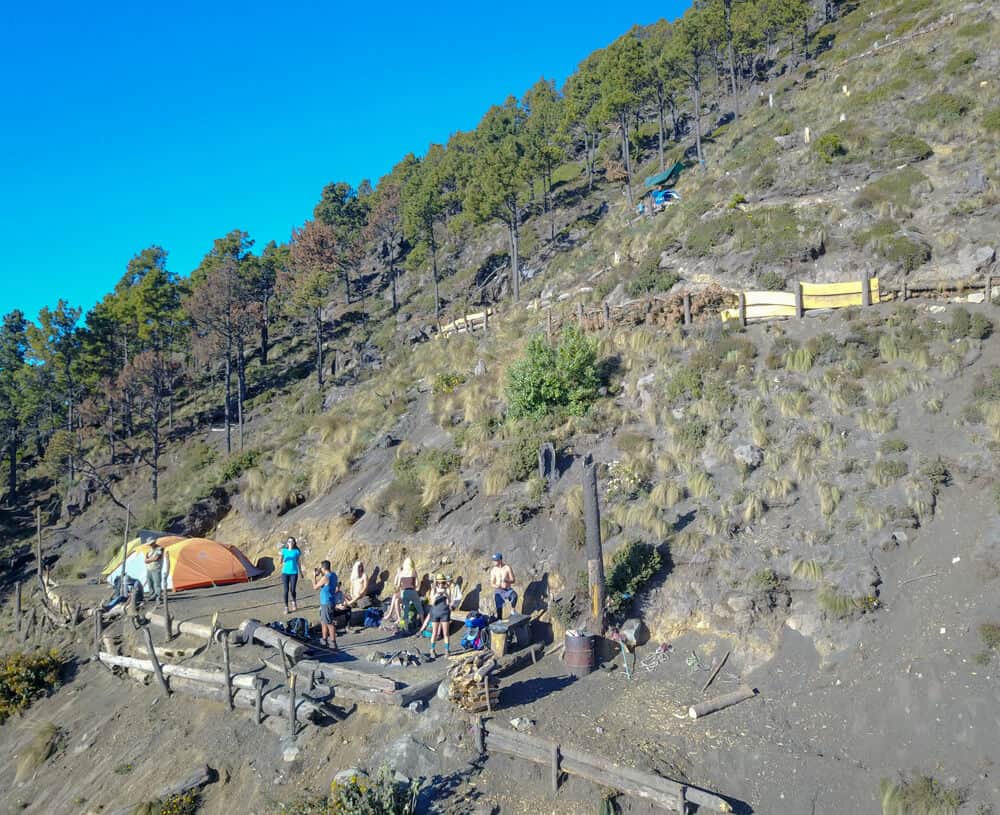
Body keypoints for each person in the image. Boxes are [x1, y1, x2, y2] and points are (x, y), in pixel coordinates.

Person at [419, 574, 452, 660]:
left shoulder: (447, 589)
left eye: (443, 582)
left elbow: (449, 602)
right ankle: (432, 650)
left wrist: (445, 594)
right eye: (439, 582)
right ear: (437, 583)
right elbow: (432, 603)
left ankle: (447, 650)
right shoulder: (433, 590)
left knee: (446, 633)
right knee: (434, 632)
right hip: (435, 612)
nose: (441, 584)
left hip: (444, 612)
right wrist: (436, 595)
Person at [312, 560, 339, 650]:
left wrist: (314, 576)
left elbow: (315, 587)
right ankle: (324, 640)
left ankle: (333, 643)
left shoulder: (325, 578)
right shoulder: (334, 575)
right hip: (330, 601)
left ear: (323, 568)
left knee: (329, 623)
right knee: (324, 622)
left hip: (326, 602)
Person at [383, 557, 418, 626]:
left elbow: (397, 585)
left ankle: (392, 615)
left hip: (407, 594)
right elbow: (417, 584)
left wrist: (399, 574)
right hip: (409, 593)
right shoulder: (413, 572)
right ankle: (397, 618)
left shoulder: (406, 572)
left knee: (395, 596)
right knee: (396, 599)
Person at [279, 537, 304, 613]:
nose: (290, 542)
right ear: (287, 543)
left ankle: (294, 602)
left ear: (294, 543)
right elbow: (280, 562)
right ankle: (286, 607)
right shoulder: (284, 551)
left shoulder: (296, 551)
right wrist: (281, 556)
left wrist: (301, 572)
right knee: (285, 590)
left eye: (292, 541)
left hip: (294, 572)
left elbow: (298, 563)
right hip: (285, 573)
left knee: (292, 590)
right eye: (289, 541)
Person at [489, 553, 517, 620]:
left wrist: (507, 580)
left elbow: (513, 580)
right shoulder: (493, 570)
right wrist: (496, 585)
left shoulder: (507, 568)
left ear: (500, 560)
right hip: (499, 591)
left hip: (507, 589)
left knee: (514, 596)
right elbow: (491, 583)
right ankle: (499, 620)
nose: (493, 562)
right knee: (499, 609)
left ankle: (513, 611)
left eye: (495, 560)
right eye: (493, 560)